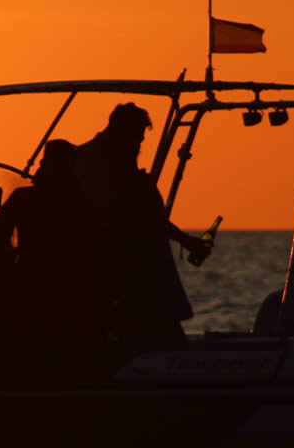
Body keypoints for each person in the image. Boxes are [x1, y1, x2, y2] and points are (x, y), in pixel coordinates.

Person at [75, 104, 209, 344]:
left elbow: (149, 219)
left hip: (142, 274)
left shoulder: (120, 163)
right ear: (120, 130)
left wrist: (186, 241)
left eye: (140, 139)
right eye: (135, 138)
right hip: (117, 274)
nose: (138, 146)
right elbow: (114, 215)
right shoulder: (90, 162)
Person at [0, 140, 107, 341]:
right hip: (72, 298)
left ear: (45, 165)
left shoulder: (24, 198)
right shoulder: (84, 203)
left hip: (32, 293)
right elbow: (98, 250)